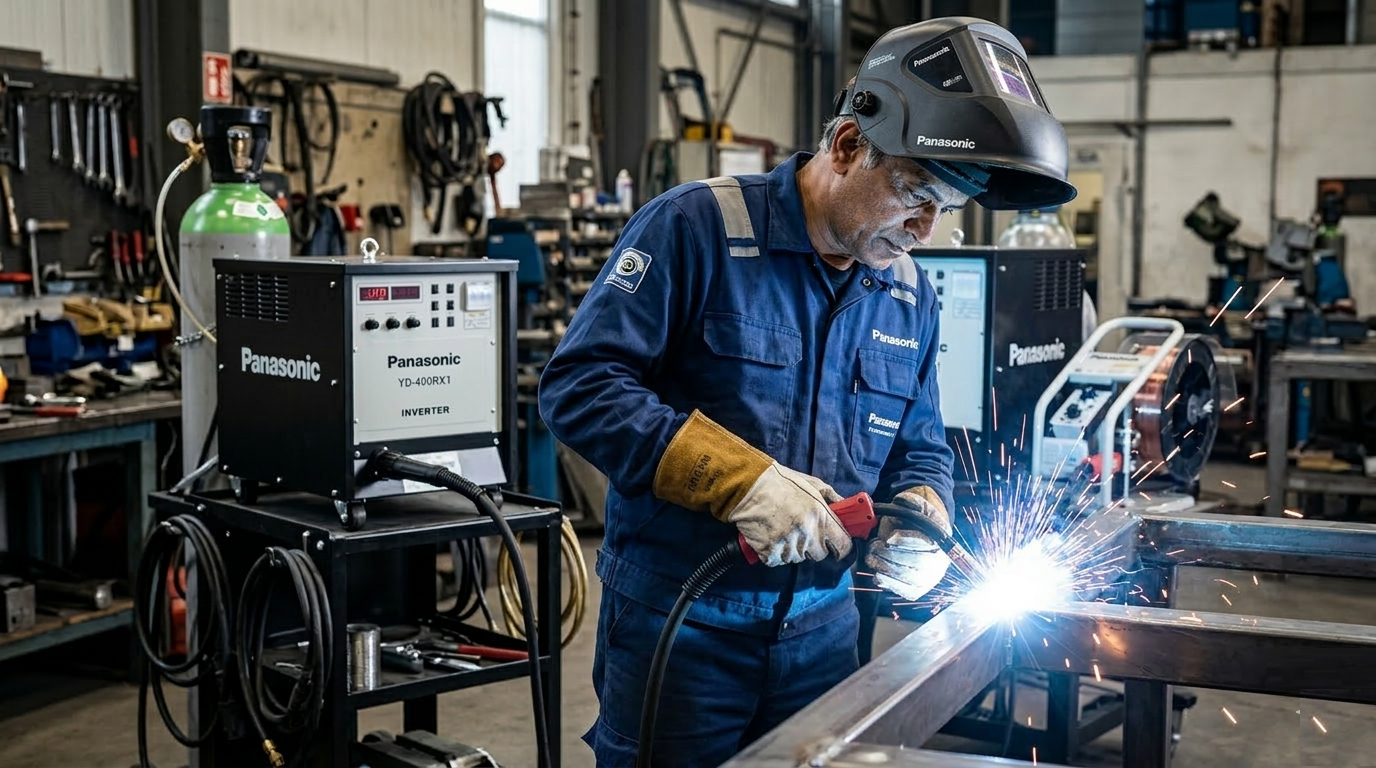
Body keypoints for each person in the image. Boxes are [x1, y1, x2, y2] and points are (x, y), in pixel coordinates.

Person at [539, 16, 1077, 768]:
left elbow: (919, 447)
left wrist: (923, 512)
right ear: (849, 145)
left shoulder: (910, 294)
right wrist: (738, 482)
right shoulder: (696, 227)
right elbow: (579, 387)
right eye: (914, 193)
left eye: (945, 211)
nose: (923, 229)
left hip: (828, 635)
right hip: (684, 625)